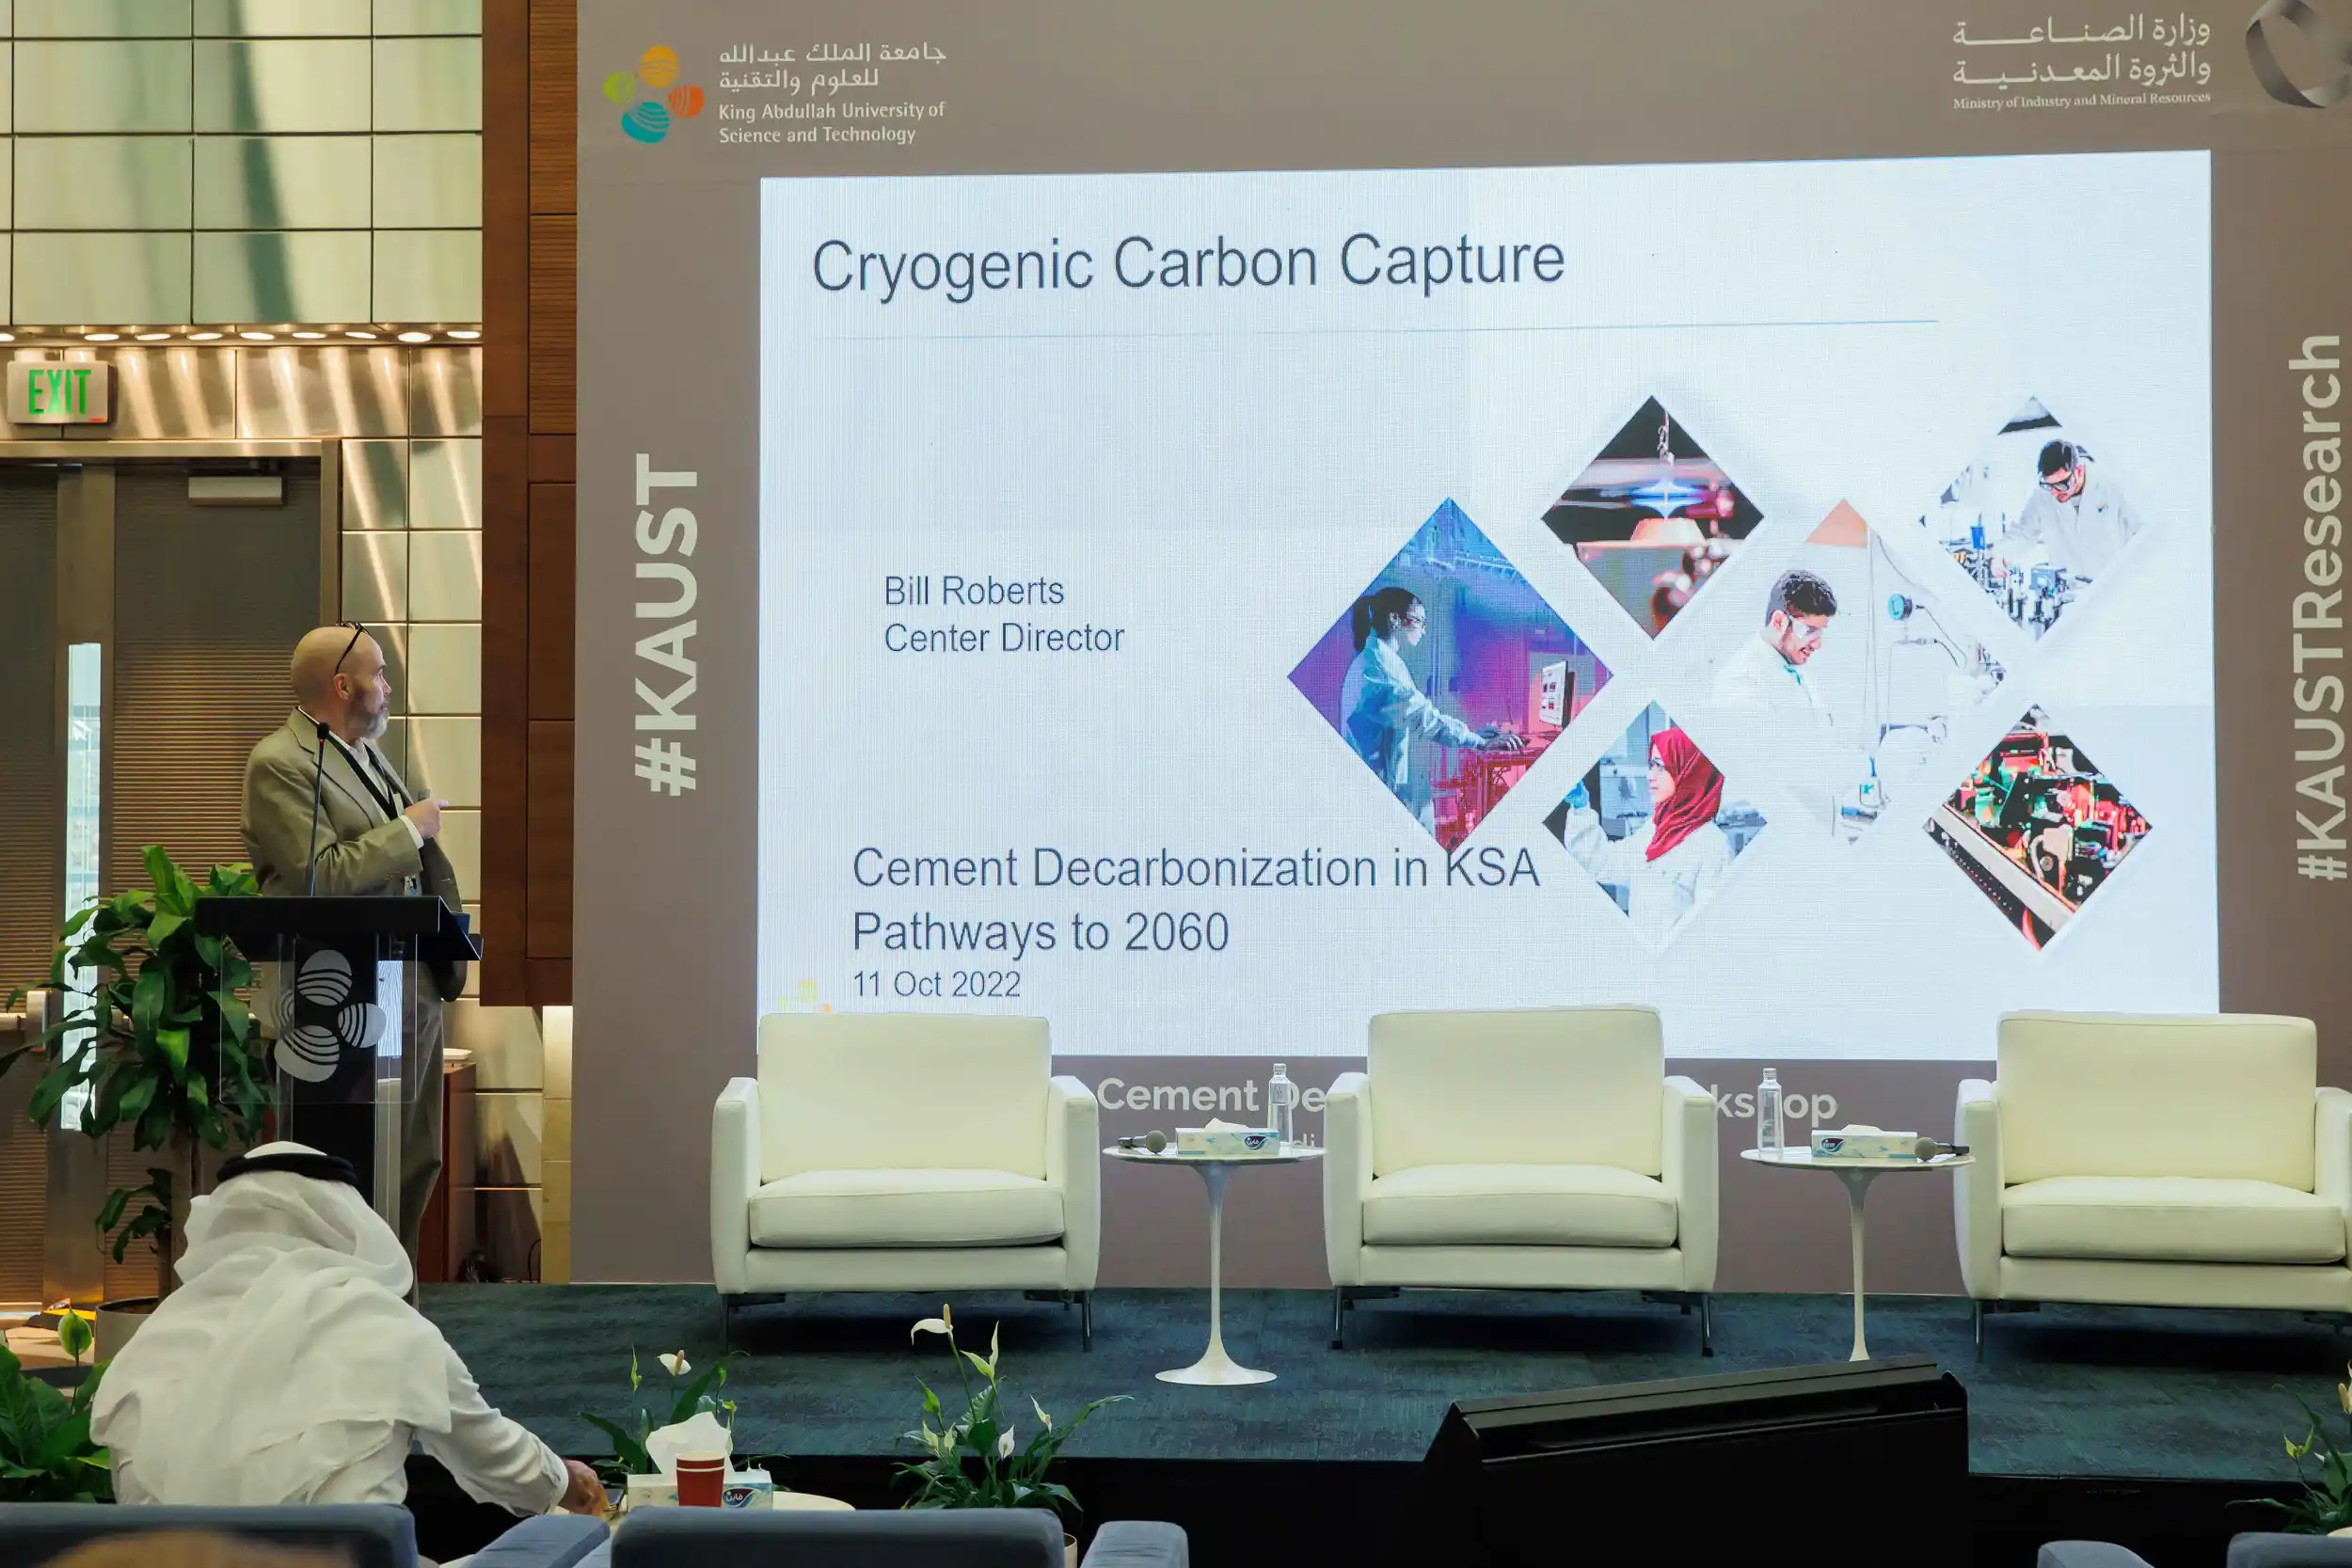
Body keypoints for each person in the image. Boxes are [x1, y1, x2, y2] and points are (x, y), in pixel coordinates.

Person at [90, 1143, 607, 1520]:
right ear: (340, 1219)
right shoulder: (384, 1326)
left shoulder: (155, 1338)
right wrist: (565, 1480)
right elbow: (492, 1453)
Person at [242, 623, 460, 1259]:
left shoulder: (364, 753)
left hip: (405, 981)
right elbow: (321, 875)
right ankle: (342, 1303)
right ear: (343, 685)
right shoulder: (279, 762)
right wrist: (409, 830)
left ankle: (394, 1301)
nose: (388, 687)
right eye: (380, 674)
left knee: (412, 1158)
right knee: (345, 1170)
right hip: (332, 997)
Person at [1339, 586, 1523, 810]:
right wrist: (1479, 742)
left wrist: (1473, 736)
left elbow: (1417, 714)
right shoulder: (1377, 669)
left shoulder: (1382, 661)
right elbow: (1424, 718)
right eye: (1420, 622)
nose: (1423, 631)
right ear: (1395, 620)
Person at [1710, 569, 1861, 833]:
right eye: (1810, 631)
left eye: (1821, 633)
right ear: (1779, 621)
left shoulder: (1796, 674)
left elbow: (1821, 745)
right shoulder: (1742, 680)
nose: (1817, 644)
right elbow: (1781, 763)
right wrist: (1863, 767)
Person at [1555, 729, 1734, 946]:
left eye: (1661, 766)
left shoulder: (1713, 845)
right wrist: (1581, 807)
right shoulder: (1655, 830)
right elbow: (1604, 862)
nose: (1650, 775)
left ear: (1688, 772)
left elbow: (1711, 936)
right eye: (1651, 765)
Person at [2003, 438, 2142, 581]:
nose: (2055, 492)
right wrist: (2001, 555)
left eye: (2061, 484)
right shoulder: (2042, 496)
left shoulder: (2110, 487)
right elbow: (2023, 533)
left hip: (2110, 585)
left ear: (2079, 471)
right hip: (2067, 589)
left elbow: (2140, 534)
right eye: (2049, 485)